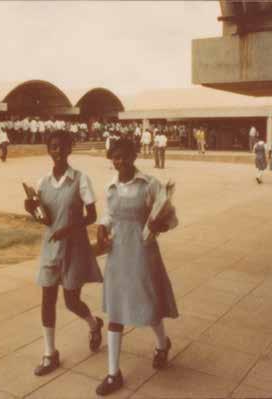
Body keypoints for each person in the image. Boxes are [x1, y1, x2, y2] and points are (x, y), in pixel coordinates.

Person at [95, 137, 179, 396]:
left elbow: (171, 218)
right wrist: (101, 228)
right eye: (114, 157)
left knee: (149, 304)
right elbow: (108, 214)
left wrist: (158, 226)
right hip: (118, 254)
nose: (118, 161)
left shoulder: (149, 184)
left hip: (144, 252)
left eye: (123, 156)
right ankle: (113, 374)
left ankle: (162, 344)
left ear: (133, 156)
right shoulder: (111, 186)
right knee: (116, 310)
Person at [24, 133, 104, 378]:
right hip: (51, 248)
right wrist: (31, 209)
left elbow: (92, 216)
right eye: (53, 147)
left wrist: (69, 228)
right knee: (47, 299)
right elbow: (42, 216)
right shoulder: (43, 182)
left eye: (61, 147)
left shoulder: (80, 179)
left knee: (71, 301)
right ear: (48, 149)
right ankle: (50, 353)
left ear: (70, 149)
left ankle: (93, 323)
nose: (57, 151)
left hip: (74, 247)